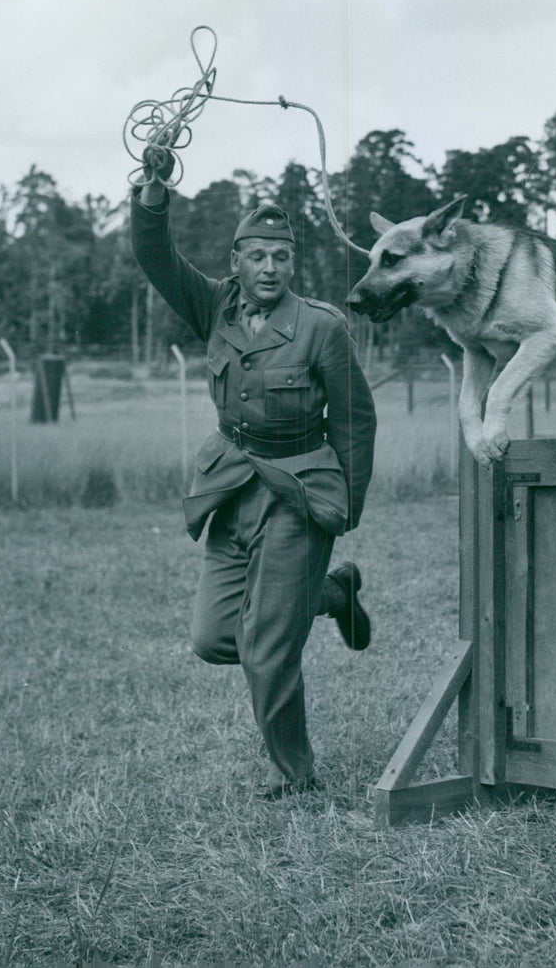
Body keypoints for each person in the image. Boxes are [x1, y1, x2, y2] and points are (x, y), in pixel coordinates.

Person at [131, 146, 377, 799]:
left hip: (298, 492)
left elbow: (355, 419)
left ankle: (295, 774)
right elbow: (156, 258)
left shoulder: (321, 328)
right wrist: (155, 188)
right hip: (232, 484)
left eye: (281, 257)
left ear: (291, 264)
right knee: (214, 638)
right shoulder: (216, 306)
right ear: (236, 262)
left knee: (268, 648)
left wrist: (345, 504)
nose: (270, 268)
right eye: (257, 256)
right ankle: (327, 596)